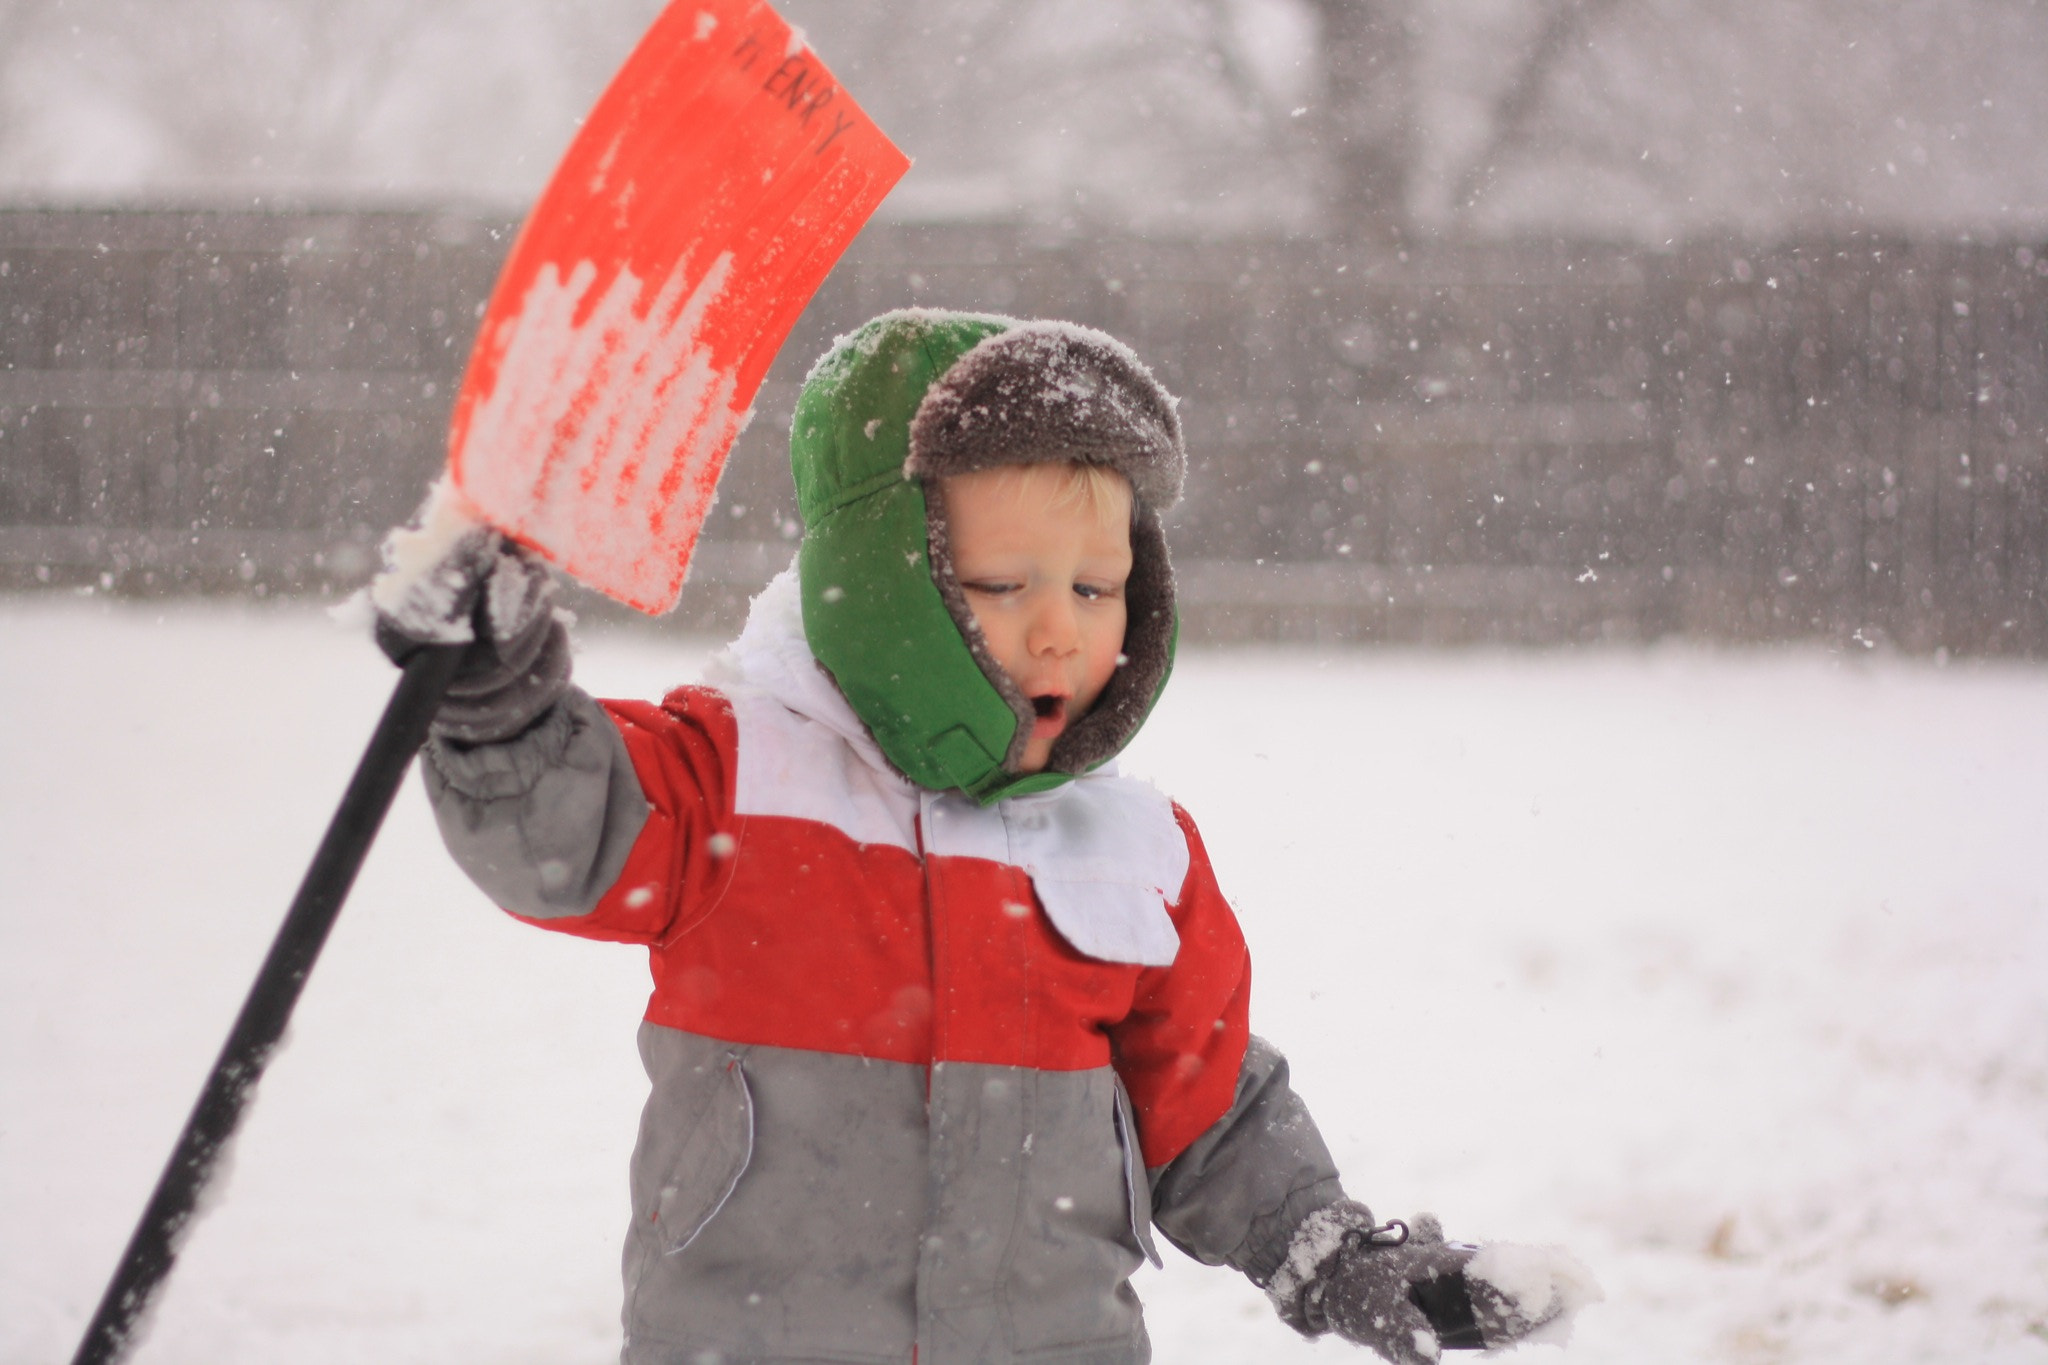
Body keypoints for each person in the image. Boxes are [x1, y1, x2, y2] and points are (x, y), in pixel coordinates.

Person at [372, 310, 1596, 1365]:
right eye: (1004, 587)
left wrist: (1335, 1258)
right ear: (883, 572)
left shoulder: (1132, 850)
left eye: (1096, 587)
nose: (1060, 633)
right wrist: (496, 701)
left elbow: (1207, 1108)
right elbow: (557, 833)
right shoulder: (735, 776)